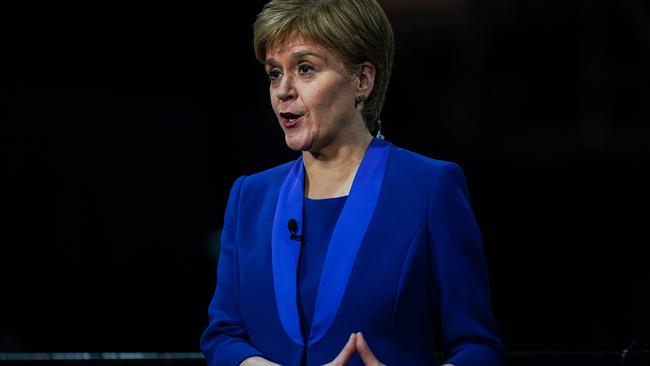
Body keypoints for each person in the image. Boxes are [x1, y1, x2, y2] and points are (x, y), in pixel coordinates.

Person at [200, 0, 506, 365]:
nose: (284, 90)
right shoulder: (249, 196)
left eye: (305, 68)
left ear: (362, 80)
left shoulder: (429, 187)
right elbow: (223, 336)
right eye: (274, 73)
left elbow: (479, 348)